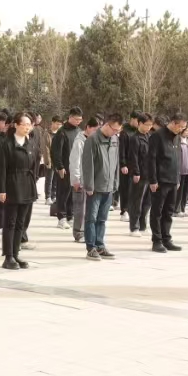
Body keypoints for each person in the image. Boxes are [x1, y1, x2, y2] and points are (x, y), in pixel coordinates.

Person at [0, 112, 39, 270]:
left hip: (27, 184)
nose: (27, 127)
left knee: (21, 223)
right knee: (10, 222)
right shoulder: (7, 144)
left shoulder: (31, 143)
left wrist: (34, 181)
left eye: (29, 124)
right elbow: (1, 169)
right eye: (24, 124)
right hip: (12, 185)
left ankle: (16, 253)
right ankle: (8, 257)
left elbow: (35, 164)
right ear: (16, 125)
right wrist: (1, 189)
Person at [81, 113, 122, 261]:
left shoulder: (115, 139)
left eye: (118, 130)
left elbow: (116, 162)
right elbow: (87, 165)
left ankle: (100, 245)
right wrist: (89, 185)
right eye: (114, 129)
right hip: (95, 187)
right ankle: (91, 248)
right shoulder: (92, 140)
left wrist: (115, 182)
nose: (115, 132)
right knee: (91, 218)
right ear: (106, 125)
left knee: (102, 219)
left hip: (109, 187)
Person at [146, 112, 186, 253]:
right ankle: (157, 241)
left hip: (173, 180)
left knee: (168, 212)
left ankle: (166, 238)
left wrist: (178, 178)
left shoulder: (177, 138)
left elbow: (177, 159)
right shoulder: (157, 136)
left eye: (183, 128)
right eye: (180, 127)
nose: (181, 130)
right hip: (160, 181)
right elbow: (151, 159)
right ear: (173, 123)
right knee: (157, 211)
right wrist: (153, 180)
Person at [50, 107, 82, 228]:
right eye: (76, 119)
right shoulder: (62, 132)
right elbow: (56, 151)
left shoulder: (79, 132)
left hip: (76, 168)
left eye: (80, 120)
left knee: (73, 193)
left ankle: (70, 215)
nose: (78, 122)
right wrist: (59, 166)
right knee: (63, 193)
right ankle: (61, 217)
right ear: (70, 117)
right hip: (64, 168)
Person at [69, 115, 97, 245]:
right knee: (80, 208)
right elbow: (75, 162)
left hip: (91, 180)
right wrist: (76, 179)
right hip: (80, 180)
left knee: (89, 208)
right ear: (88, 127)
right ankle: (78, 232)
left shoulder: (93, 140)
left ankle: (87, 232)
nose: (96, 133)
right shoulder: (79, 142)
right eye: (94, 130)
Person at [118, 113, 141, 220]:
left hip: (137, 165)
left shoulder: (139, 132)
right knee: (125, 188)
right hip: (127, 165)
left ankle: (133, 209)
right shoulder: (125, 132)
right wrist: (123, 164)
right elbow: (122, 150)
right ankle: (124, 210)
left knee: (135, 189)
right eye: (137, 120)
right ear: (132, 119)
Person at [176, 122, 188, 218]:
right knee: (179, 191)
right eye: (186, 130)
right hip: (181, 170)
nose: (187, 132)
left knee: (185, 191)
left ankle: (182, 209)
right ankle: (176, 209)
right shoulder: (178, 141)